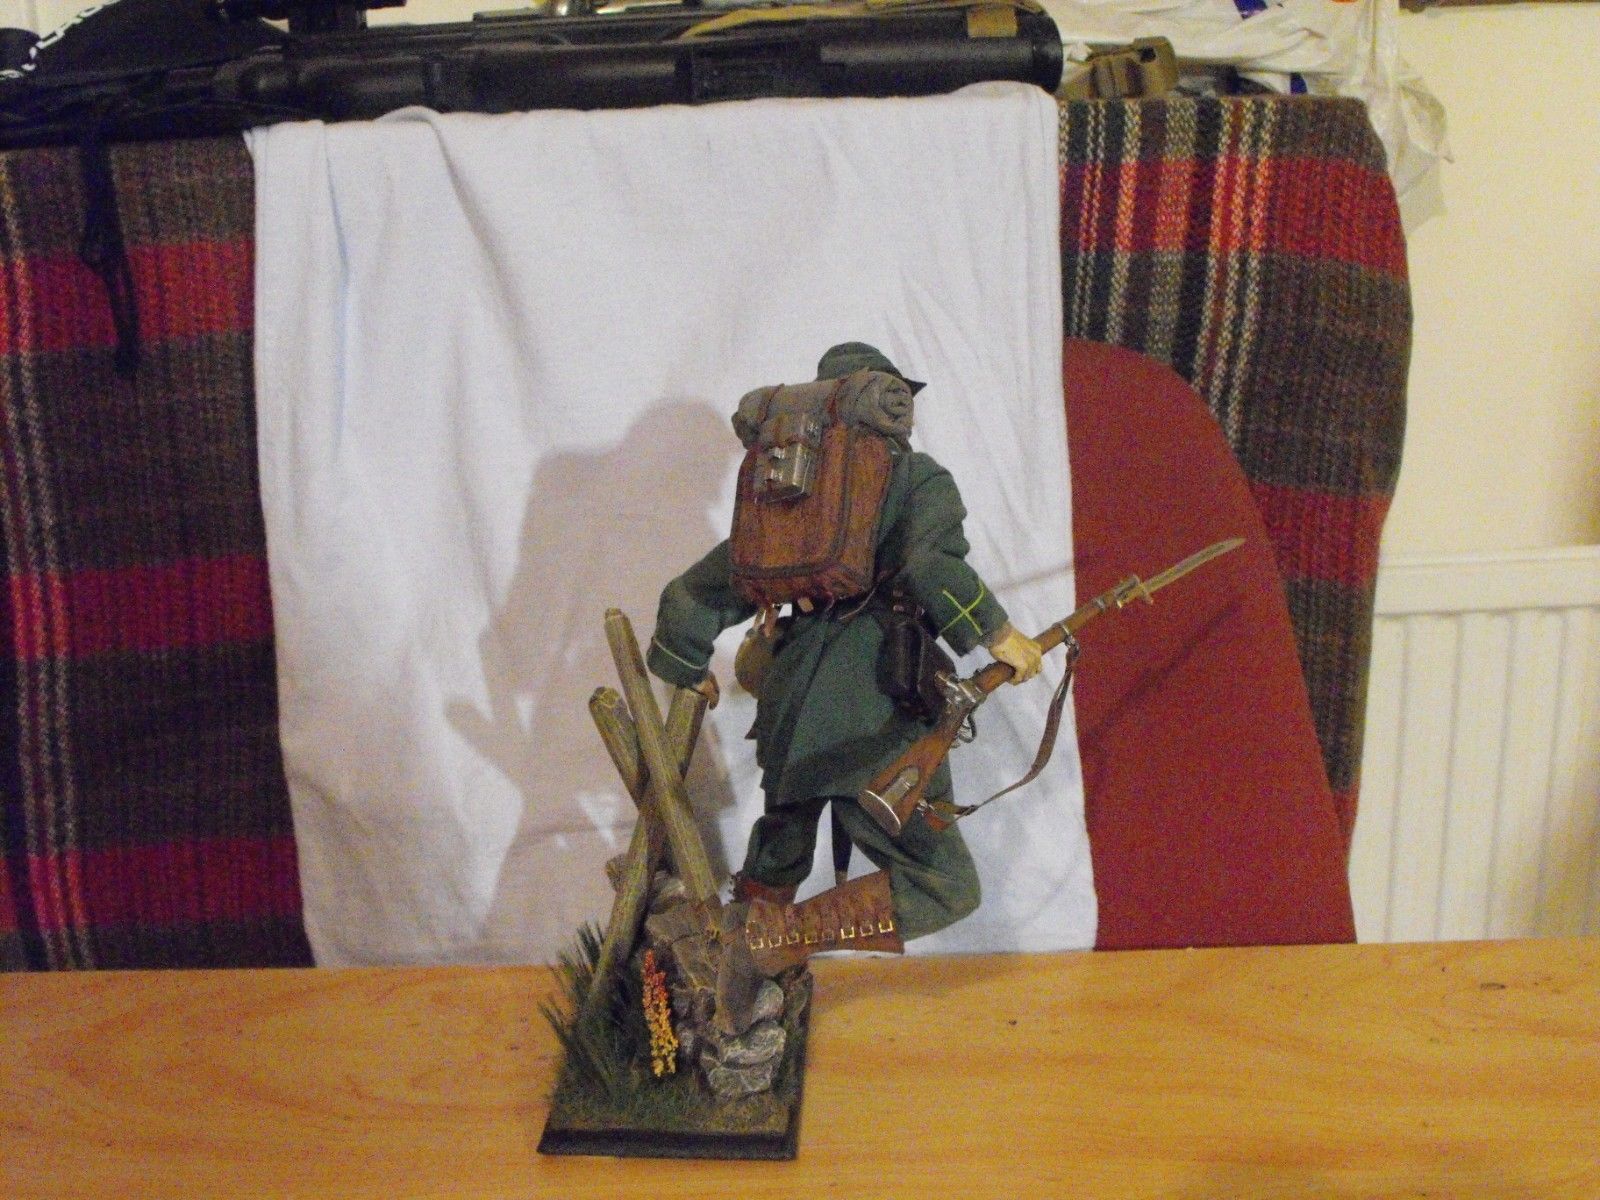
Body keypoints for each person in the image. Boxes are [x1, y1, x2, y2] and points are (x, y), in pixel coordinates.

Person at [646, 343, 1041, 975]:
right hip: (878, 713)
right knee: (946, 884)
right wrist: (998, 634)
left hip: (788, 714)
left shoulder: (789, 501)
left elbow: (691, 596)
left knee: (778, 854)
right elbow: (930, 565)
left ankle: (740, 974)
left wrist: (687, 668)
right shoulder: (917, 478)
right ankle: (774, 945)